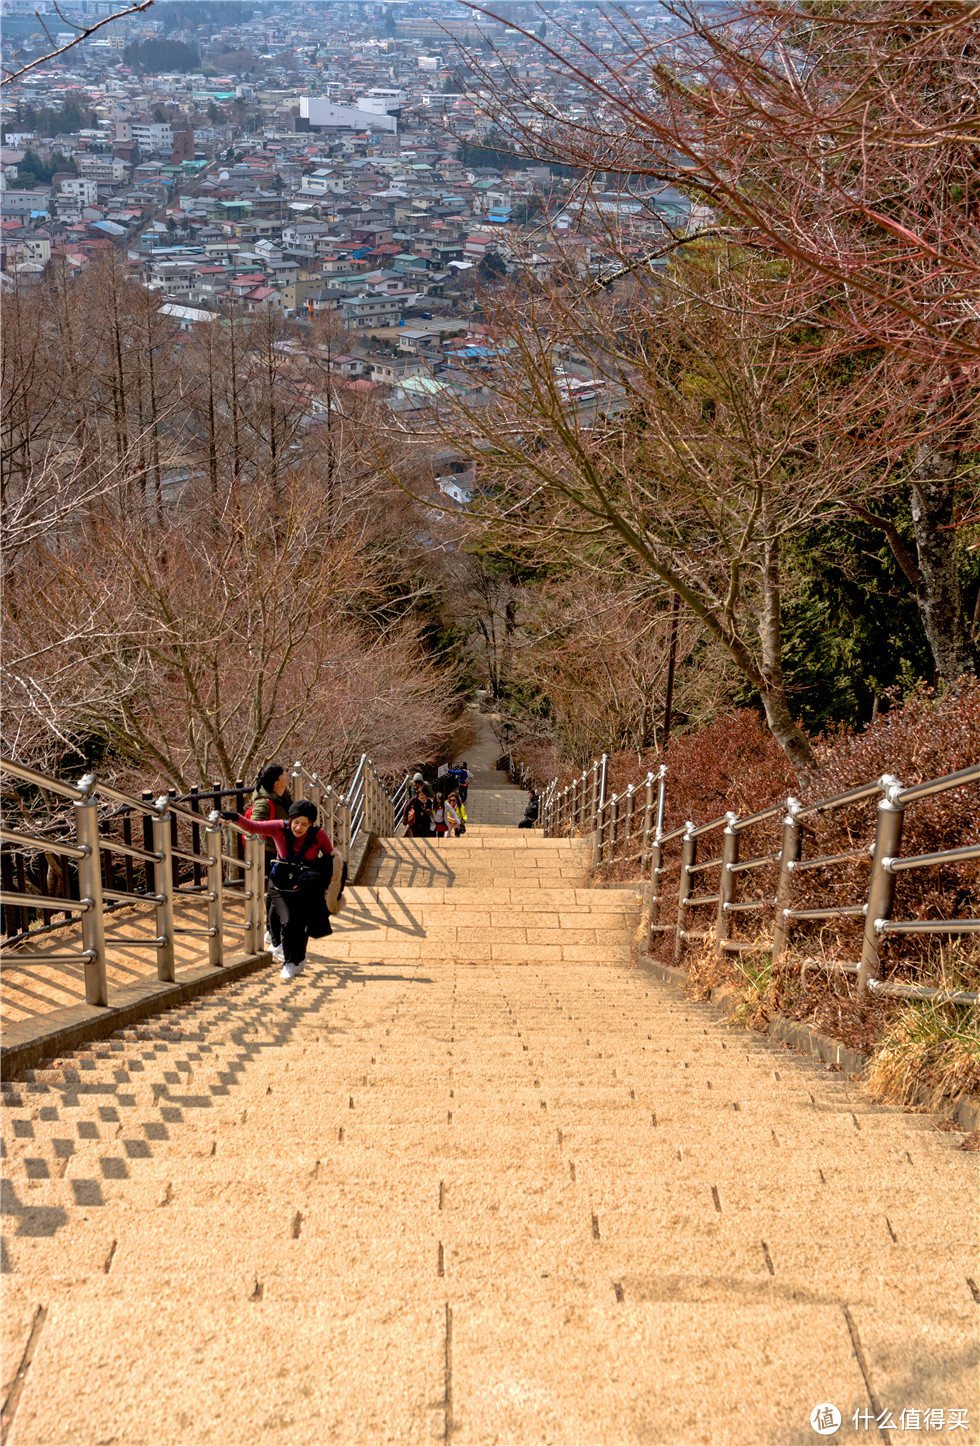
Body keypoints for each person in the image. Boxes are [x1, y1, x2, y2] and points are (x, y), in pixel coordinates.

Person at [223, 799, 334, 981]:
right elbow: (252, 826)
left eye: (304, 824)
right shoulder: (278, 828)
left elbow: (330, 857)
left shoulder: (318, 835)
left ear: (311, 824)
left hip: (304, 886)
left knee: (300, 925)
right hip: (280, 884)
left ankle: (299, 959)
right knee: (288, 921)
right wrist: (235, 817)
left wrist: (315, 877)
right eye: (296, 822)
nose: (298, 828)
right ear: (290, 819)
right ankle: (288, 963)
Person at [248, 763, 292, 947]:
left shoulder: (283, 795)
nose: (287, 774)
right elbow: (253, 827)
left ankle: (270, 931)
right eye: (283, 774)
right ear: (276, 783)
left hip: (281, 852)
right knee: (278, 893)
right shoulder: (264, 803)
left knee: (277, 892)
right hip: (270, 854)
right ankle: (275, 937)